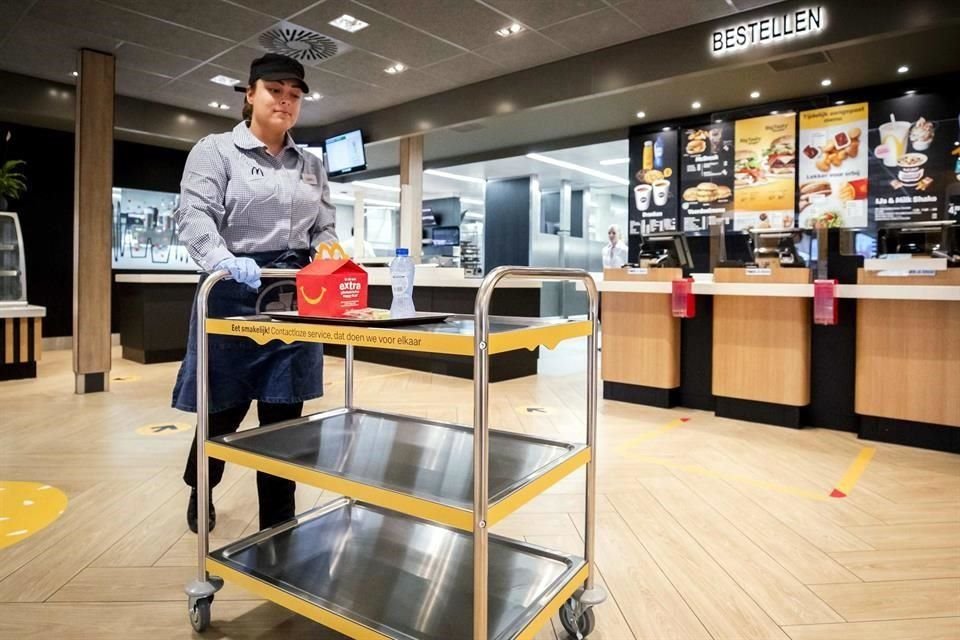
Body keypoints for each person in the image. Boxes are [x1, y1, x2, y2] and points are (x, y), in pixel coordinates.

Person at [171, 53, 336, 534]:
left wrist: (328, 253)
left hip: (293, 296)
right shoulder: (216, 151)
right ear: (250, 94)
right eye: (275, 90)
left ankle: (279, 525)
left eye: (295, 94)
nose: (285, 101)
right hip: (232, 290)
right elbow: (194, 214)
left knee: (285, 418)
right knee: (224, 408)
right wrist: (221, 259)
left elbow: (323, 227)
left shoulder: (311, 165)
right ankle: (202, 485)